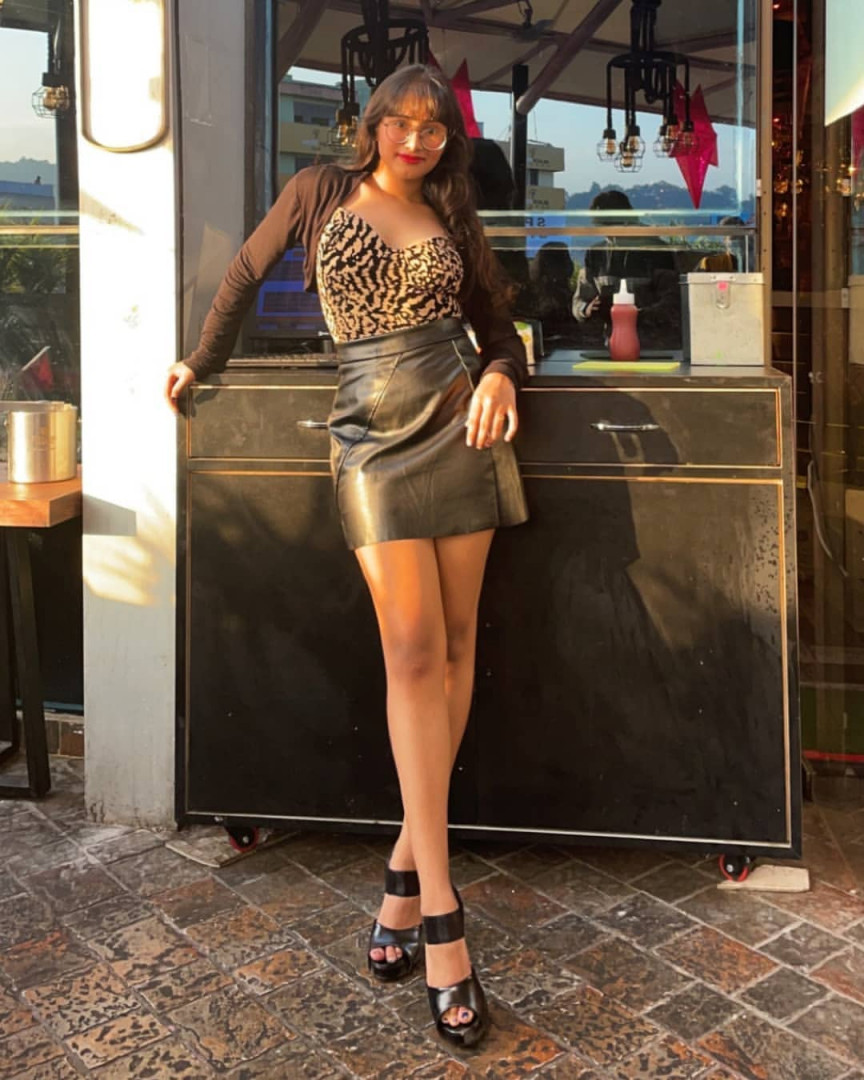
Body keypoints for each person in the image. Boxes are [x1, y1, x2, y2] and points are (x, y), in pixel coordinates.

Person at [164, 64, 530, 1049]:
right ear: (370, 127)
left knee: (455, 651)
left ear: (447, 142)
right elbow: (243, 275)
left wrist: (501, 373)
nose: (416, 139)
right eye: (399, 122)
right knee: (412, 651)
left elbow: (497, 328)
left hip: (458, 421)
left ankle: (407, 875)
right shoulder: (318, 192)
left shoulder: (453, 213)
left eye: (433, 128)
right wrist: (201, 360)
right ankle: (443, 918)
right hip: (368, 435)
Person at [572, 189, 680, 351]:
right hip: (612, 345)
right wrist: (587, 309)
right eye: (599, 226)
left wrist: (636, 315)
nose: (605, 232)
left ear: (626, 219)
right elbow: (580, 299)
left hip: (655, 346)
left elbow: (673, 302)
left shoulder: (657, 250)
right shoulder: (596, 253)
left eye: (607, 225)